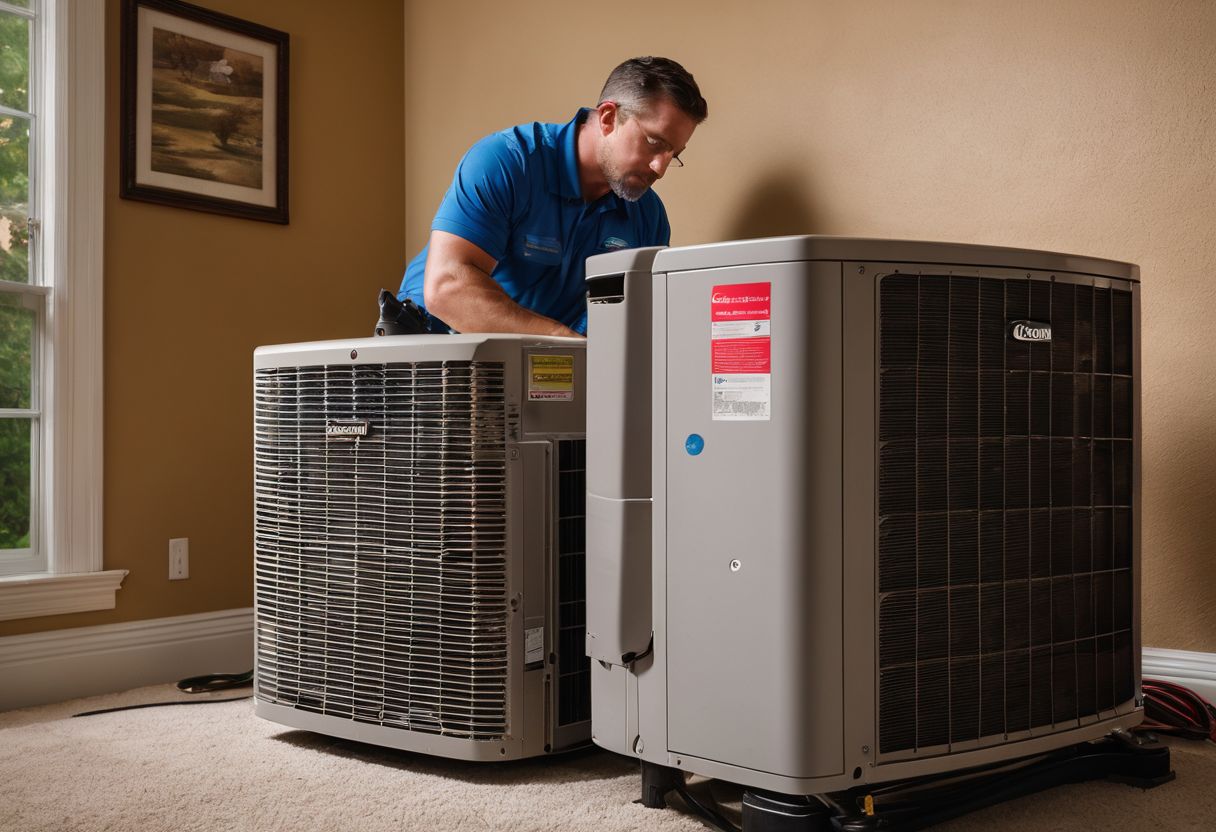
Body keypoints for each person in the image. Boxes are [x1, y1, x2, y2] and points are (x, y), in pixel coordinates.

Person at [397, 56, 707, 336]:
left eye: (673, 154)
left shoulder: (647, 216)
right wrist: (561, 340)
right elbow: (447, 289)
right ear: (609, 118)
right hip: (433, 362)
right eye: (653, 142)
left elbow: (630, 320)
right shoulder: (507, 162)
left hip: (544, 370)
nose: (660, 168)